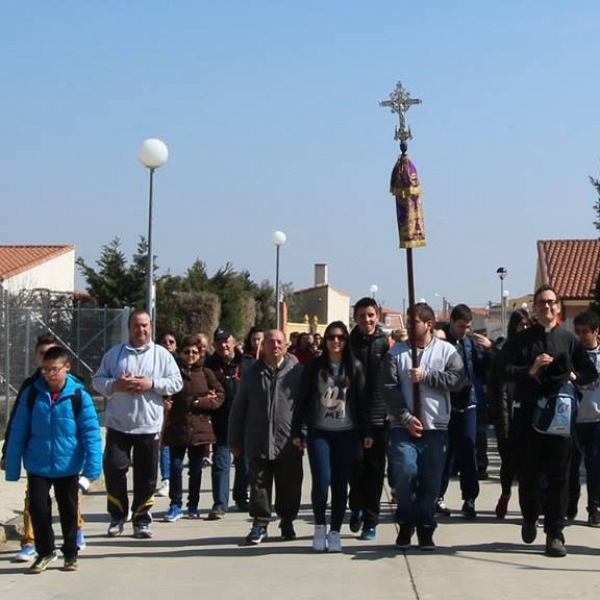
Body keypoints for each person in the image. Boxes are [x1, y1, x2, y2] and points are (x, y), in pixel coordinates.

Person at [502, 285, 598, 557]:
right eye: (541, 303)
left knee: (560, 476)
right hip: (529, 415)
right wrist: (530, 369)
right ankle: (530, 517)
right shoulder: (521, 340)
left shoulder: (568, 339)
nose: (547, 307)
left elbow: (588, 370)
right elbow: (502, 370)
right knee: (529, 474)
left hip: (560, 416)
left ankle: (555, 533)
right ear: (534, 308)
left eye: (551, 302)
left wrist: (574, 376)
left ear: (558, 307)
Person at [4, 346, 102, 573]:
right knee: (38, 508)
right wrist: (11, 465)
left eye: (54, 369)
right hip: (38, 464)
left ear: (67, 368)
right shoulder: (32, 394)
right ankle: (45, 551)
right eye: (45, 369)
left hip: (68, 465)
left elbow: (91, 434)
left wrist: (91, 469)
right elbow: (19, 429)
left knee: (68, 510)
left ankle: (70, 553)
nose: (49, 374)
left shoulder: (79, 396)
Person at [93, 309, 183, 539]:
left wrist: (151, 384)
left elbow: (176, 382)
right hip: (118, 425)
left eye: (145, 325)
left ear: (151, 327)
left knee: (146, 476)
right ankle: (118, 516)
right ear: (129, 328)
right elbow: (97, 381)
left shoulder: (161, 355)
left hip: (148, 426)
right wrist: (115, 385)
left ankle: (141, 519)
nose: (141, 329)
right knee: (114, 468)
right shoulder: (114, 355)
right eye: (136, 325)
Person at [383, 303, 464, 550]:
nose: (408, 325)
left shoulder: (447, 351)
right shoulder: (396, 353)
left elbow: (458, 380)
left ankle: (425, 526)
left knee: (431, 480)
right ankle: (406, 520)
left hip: (435, 427)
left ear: (429, 324)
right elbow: (389, 389)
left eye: (414, 321)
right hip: (402, 427)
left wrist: (427, 376)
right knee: (404, 473)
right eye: (407, 321)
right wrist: (406, 418)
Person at [293, 321, 372, 553]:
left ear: (346, 341)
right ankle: (320, 527)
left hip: (346, 433)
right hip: (320, 432)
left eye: (340, 337)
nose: (335, 342)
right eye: (331, 337)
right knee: (321, 481)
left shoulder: (354, 366)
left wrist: (366, 432)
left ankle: (335, 531)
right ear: (325, 340)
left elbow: (362, 402)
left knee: (340, 484)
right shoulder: (315, 366)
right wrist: (298, 430)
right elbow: (302, 399)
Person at [228, 329, 304, 545]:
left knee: (289, 485)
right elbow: (239, 407)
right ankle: (260, 523)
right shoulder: (252, 372)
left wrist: (304, 433)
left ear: (286, 345)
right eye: (270, 342)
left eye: (279, 342)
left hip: (289, 440)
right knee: (259, 484)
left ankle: (287, 521)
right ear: (264, 345)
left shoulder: (297, 371)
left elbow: (306, 406)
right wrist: (234, 439)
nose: (275, 346)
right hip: (258, 439)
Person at [437, 304, 492, 519]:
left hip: (468, 402)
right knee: (445, 453)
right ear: (451, 323)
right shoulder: (441, 342)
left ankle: (469, 498)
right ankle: (437, 496)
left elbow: (480, 368)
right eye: (461, 326)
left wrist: (488, 351)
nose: (464, 330)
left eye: (467, 327)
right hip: (447, 404)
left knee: (469, 451)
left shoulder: (470, 344)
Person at [161, 336, 224, 521]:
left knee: (195, 470)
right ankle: (175, 504)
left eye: (195, 352)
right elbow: (165, 392)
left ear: (200, 354)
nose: (190, 355)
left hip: (200, 428)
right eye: (187, 351)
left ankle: (193, 506)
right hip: (177, 427)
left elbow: (220, 395)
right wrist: (165, 403)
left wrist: (204, 402)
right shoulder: (174, 372)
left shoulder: (206, 373)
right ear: (181, 353)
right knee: (175, 467)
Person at [348, 297, 389, 540]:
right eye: (362, 315)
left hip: (378, 418)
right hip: (352, 418)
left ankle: (371, 521)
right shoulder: (347, 343)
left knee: (374, 472)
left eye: (371, 315)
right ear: (356, 318)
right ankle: (357, 508)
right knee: (354, 469)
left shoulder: (385, 343)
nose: (367, 320)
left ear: (378, 316)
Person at [489, 309, 532, 518]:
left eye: (526, 325)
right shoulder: (505, 352)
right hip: (508, 415)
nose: (523, 328)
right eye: (520, 324)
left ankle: (528, 508)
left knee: (529, 466)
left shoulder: (534, 349)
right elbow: (496, 387)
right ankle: (505, 494)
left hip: (529, 414)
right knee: (509, 463)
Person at [204, 327, 249, 516]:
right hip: (220, 422)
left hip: (245, 422)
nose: (223, 345)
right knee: (221, 463)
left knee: (244, 464)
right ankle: (220, 504)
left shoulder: (247, 363)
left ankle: (241, 497)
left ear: (233, 342)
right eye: (219, 342)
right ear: (214, 345)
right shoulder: (209, 365)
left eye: (226, 340)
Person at [567, 310, 600, 526]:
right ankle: (570, 505)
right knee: (570, 467)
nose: (580, 336)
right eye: (577, 332)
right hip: (572, 421)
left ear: (596, 332)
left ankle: (594, 507)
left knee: (595, 466)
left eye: (585, 332)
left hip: (596, 420)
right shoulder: (572, 356)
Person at [156, 331, 179, 498]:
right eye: (164, 341)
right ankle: (166, 479)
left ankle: (175, 478)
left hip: (179, 408)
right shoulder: (155, 363)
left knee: (174, 445)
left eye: (171, 341)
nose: (168, 344)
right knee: (163, 444)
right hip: (161, 408)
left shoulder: (179, 362)